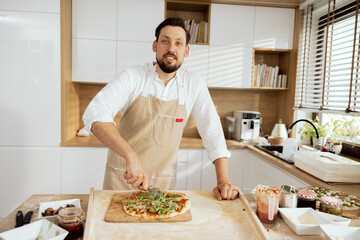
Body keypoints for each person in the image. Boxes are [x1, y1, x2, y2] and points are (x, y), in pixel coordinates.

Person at [83, 17, 239, 200]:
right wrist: (131, 156)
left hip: (163, 187)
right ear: (155, 45)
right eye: (165, 41)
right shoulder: (133, 77)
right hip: (121, 181)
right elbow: (95, 115)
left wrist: (223, 180)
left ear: (186, 51)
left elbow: (212, 132)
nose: (171, 49)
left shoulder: (194, 84)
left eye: (178, 43)